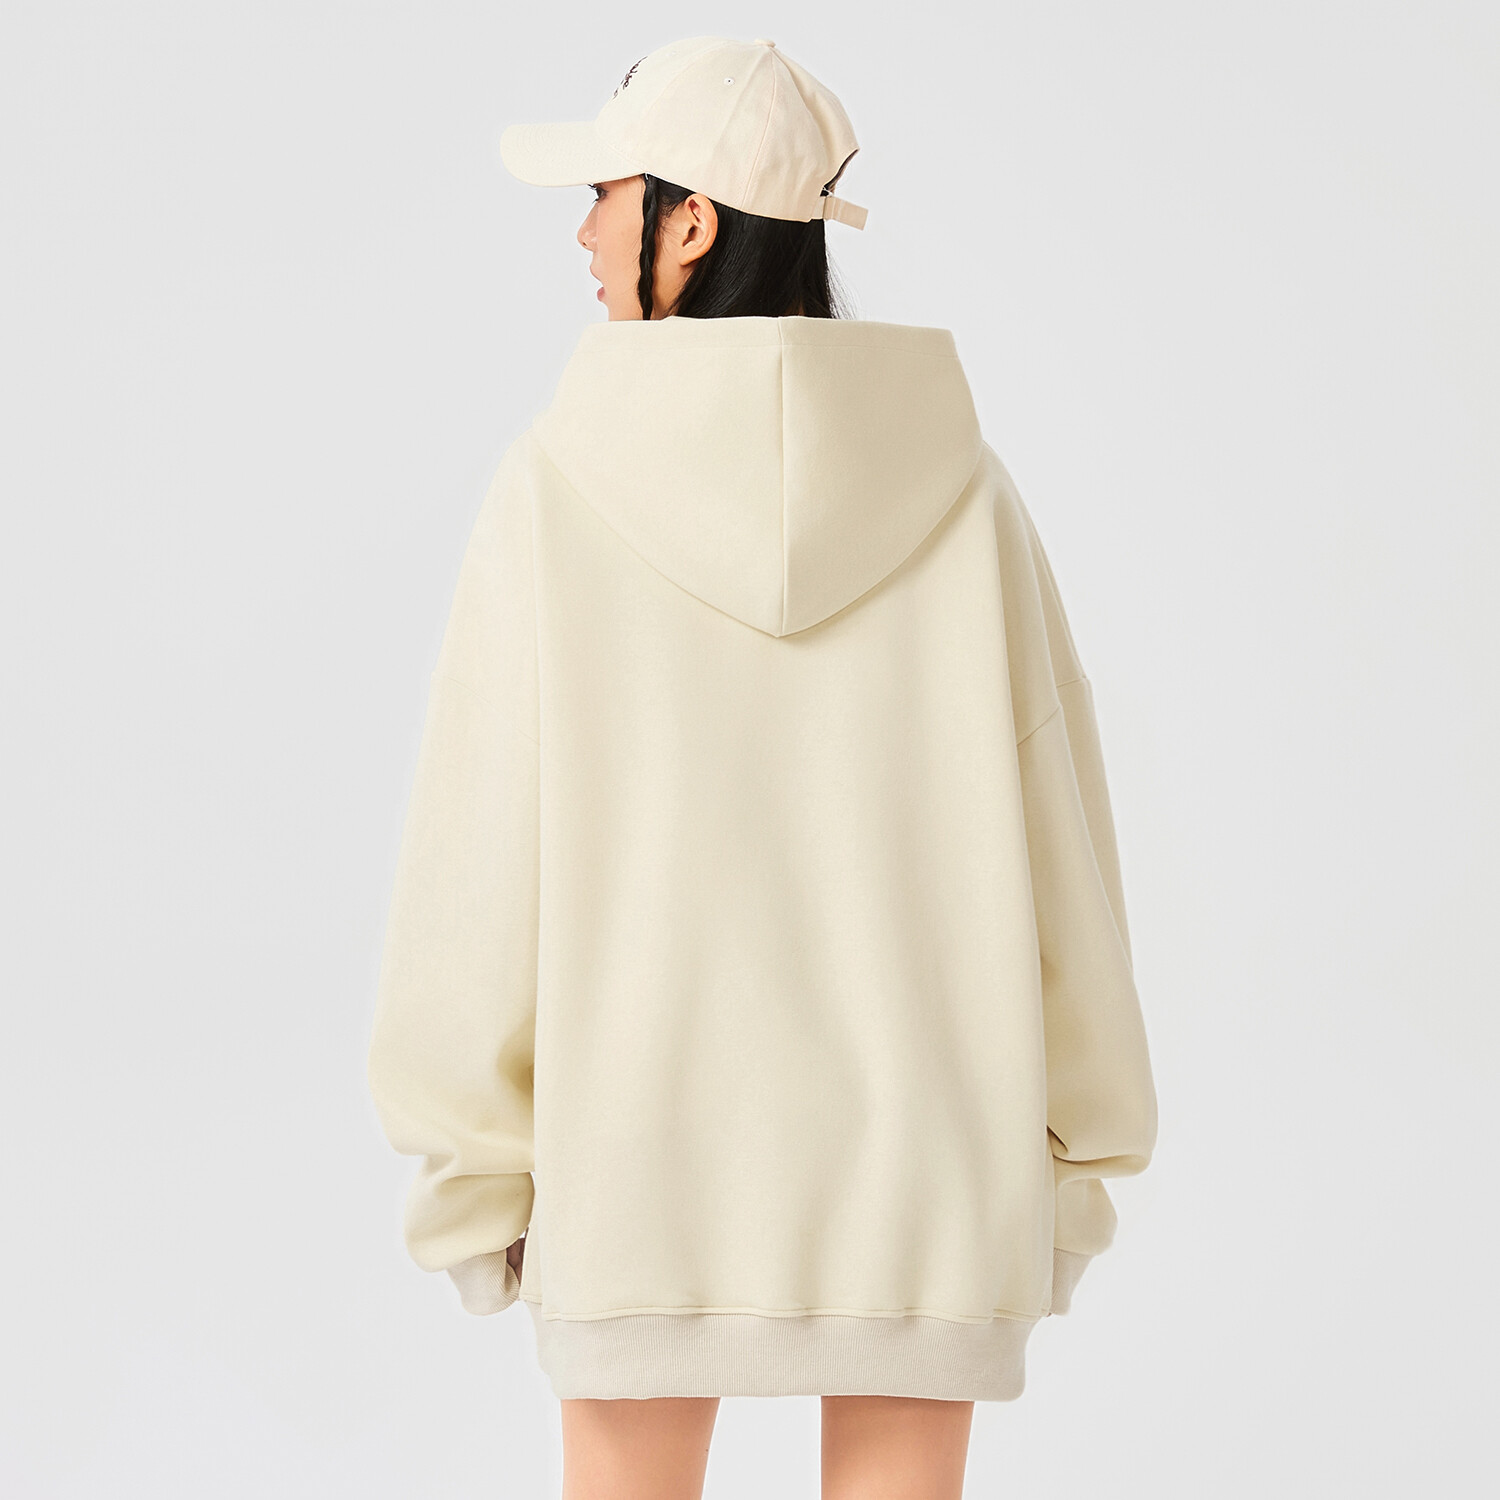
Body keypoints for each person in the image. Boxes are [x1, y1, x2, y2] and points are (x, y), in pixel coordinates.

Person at [366, 34, 1158, 1500]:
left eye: (605, 195)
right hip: (932, 1169)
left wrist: (471, 1169)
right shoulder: (967, 494)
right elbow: (1063, 846)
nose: (583, 234)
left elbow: (479, 854)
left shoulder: (553, 491)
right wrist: (1071, 1164)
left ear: (689, 222)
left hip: (635, 1166)